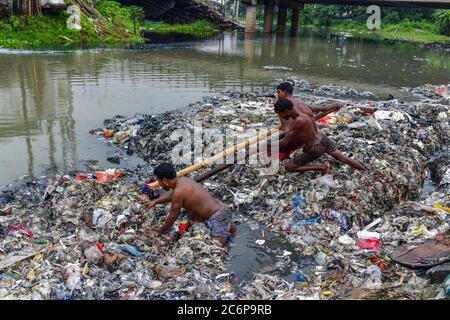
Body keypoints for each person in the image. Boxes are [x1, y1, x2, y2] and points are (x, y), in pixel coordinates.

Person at [143, 163, 237, 247]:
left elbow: (172, 217)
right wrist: (156, 201)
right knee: (230, 230)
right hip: (222, 208)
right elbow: (171, 195)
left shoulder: (178, 193)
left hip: (217, 216)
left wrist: (159, 231)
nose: (159, 184)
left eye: (159, 182)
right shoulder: (183, 180)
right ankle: (233, 236)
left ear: (165, 181)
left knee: (216, 249)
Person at [271, 99, 365, 174]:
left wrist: (265, 145)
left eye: (280, 114)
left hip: (316, 148)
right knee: (343, 158)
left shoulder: (298, 121)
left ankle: (322, 167)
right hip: (323, 139)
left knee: (289, 167)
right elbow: (290, 132)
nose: (281, 116)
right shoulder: (305, 113)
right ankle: (363, 169)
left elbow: (285, 142)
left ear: (286, 111)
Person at [270, 82, 342, 160]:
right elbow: (321, 108)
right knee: (336, 153)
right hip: (312, 136)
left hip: (299, 140)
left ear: (285, 92)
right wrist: (335, 104)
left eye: (278, 92)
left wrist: (270, 142)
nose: (277, 95)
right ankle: (346, 160)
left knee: (270, 150)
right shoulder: (300, 102)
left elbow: (288, 132)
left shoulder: (282, 109)